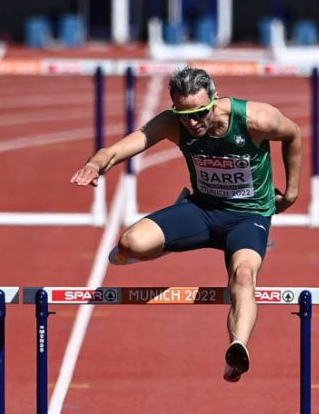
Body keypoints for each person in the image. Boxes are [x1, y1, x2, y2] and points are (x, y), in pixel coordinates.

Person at [70, 66, 301, 383]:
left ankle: (237, 347)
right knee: (130, 244)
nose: (192, 123)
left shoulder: (256, 119)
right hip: (202, 210)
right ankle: (164, 246)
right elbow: (119, 148)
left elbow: (293, 135)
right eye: (184, 115)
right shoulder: (171, 123)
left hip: (248, 217)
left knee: (244, 275)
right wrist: (95, 164)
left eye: (200, 114)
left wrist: (291, 192)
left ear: (214, 99)